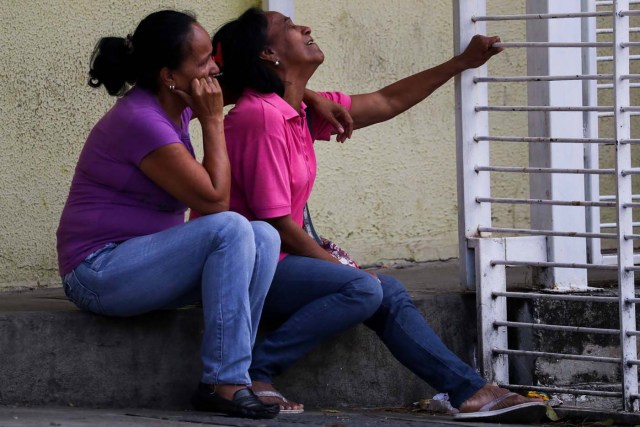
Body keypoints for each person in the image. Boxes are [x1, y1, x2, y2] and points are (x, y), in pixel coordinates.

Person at [210, 7, 549, 423]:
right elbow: (276, 224)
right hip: (252, 266)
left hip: (285, 259)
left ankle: (469, 392)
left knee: (383, 290)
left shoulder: (293, 109)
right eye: (288, 26)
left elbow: (387, 101)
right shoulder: (258, 117)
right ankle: (255, 372)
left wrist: (460, 63)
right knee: (364, 288)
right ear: (268, 54)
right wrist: (340, 268)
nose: (305, 27)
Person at [56, 10, 281, 420]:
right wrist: (213, 121)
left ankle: (236, 374)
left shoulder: (173, 102)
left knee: (264, 236)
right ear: (169, 76)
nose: (215, 67)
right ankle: (223, 381)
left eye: (212, 55)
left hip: (142, 268)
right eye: (202, 62)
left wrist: (314, 96)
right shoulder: (141, 120)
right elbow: (214, 201)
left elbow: (248, 80)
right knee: (230, 226)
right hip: (96, 272)